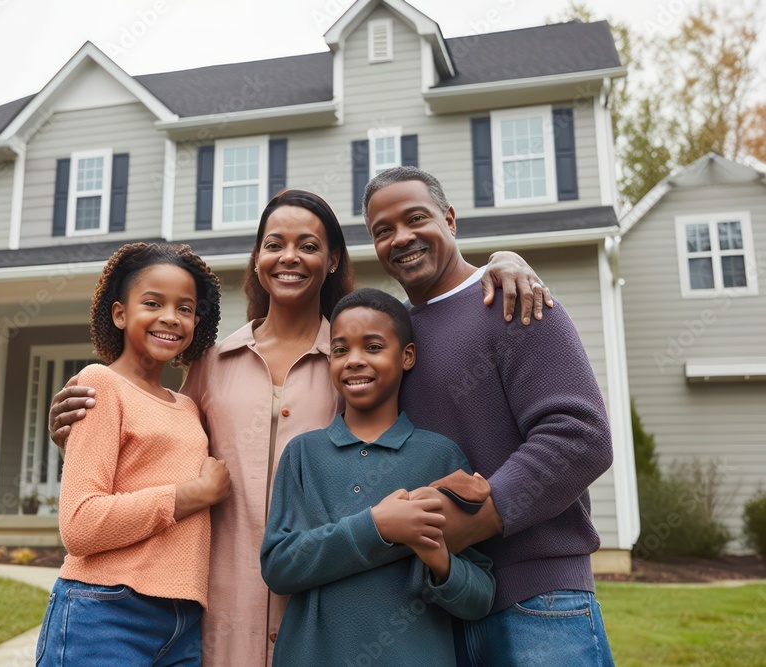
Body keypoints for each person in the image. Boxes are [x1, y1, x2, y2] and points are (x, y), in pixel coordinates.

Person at [49, 189, 551, 667]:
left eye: (307, 246)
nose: (289, 257)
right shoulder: (211, 362)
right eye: (274, 245)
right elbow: (157, 435)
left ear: (332, 259)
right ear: (257, 259)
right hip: (214, 615)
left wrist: (502, 260)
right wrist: (80, 427)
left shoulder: (355, 355)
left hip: (325, 618)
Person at [363, 167, 615, 666]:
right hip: (437, 609)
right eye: (383, 230)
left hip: (539, 599)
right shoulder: (391, 338)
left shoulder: (516, 300)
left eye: (416, 218)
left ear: (450, 219)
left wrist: (475, 517)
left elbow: (579, 435)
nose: (401, 238)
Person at [261, 288, 495, 666]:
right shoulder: (303, 454)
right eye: (340, 350)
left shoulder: (441, 457)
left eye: (372, 347)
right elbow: (279, 568)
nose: (354, 361)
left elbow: (480, 596)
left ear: (406, 356)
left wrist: (438, 558)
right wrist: (376, 527)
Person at [35, 243, 232, 667]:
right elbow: (80, 525)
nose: (170, 317)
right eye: (153, 303)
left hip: (183, 619)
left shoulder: (187, 406)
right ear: (120, 314)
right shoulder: (99, 384)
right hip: (106, 611)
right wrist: (194, 494)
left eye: (185, 308)